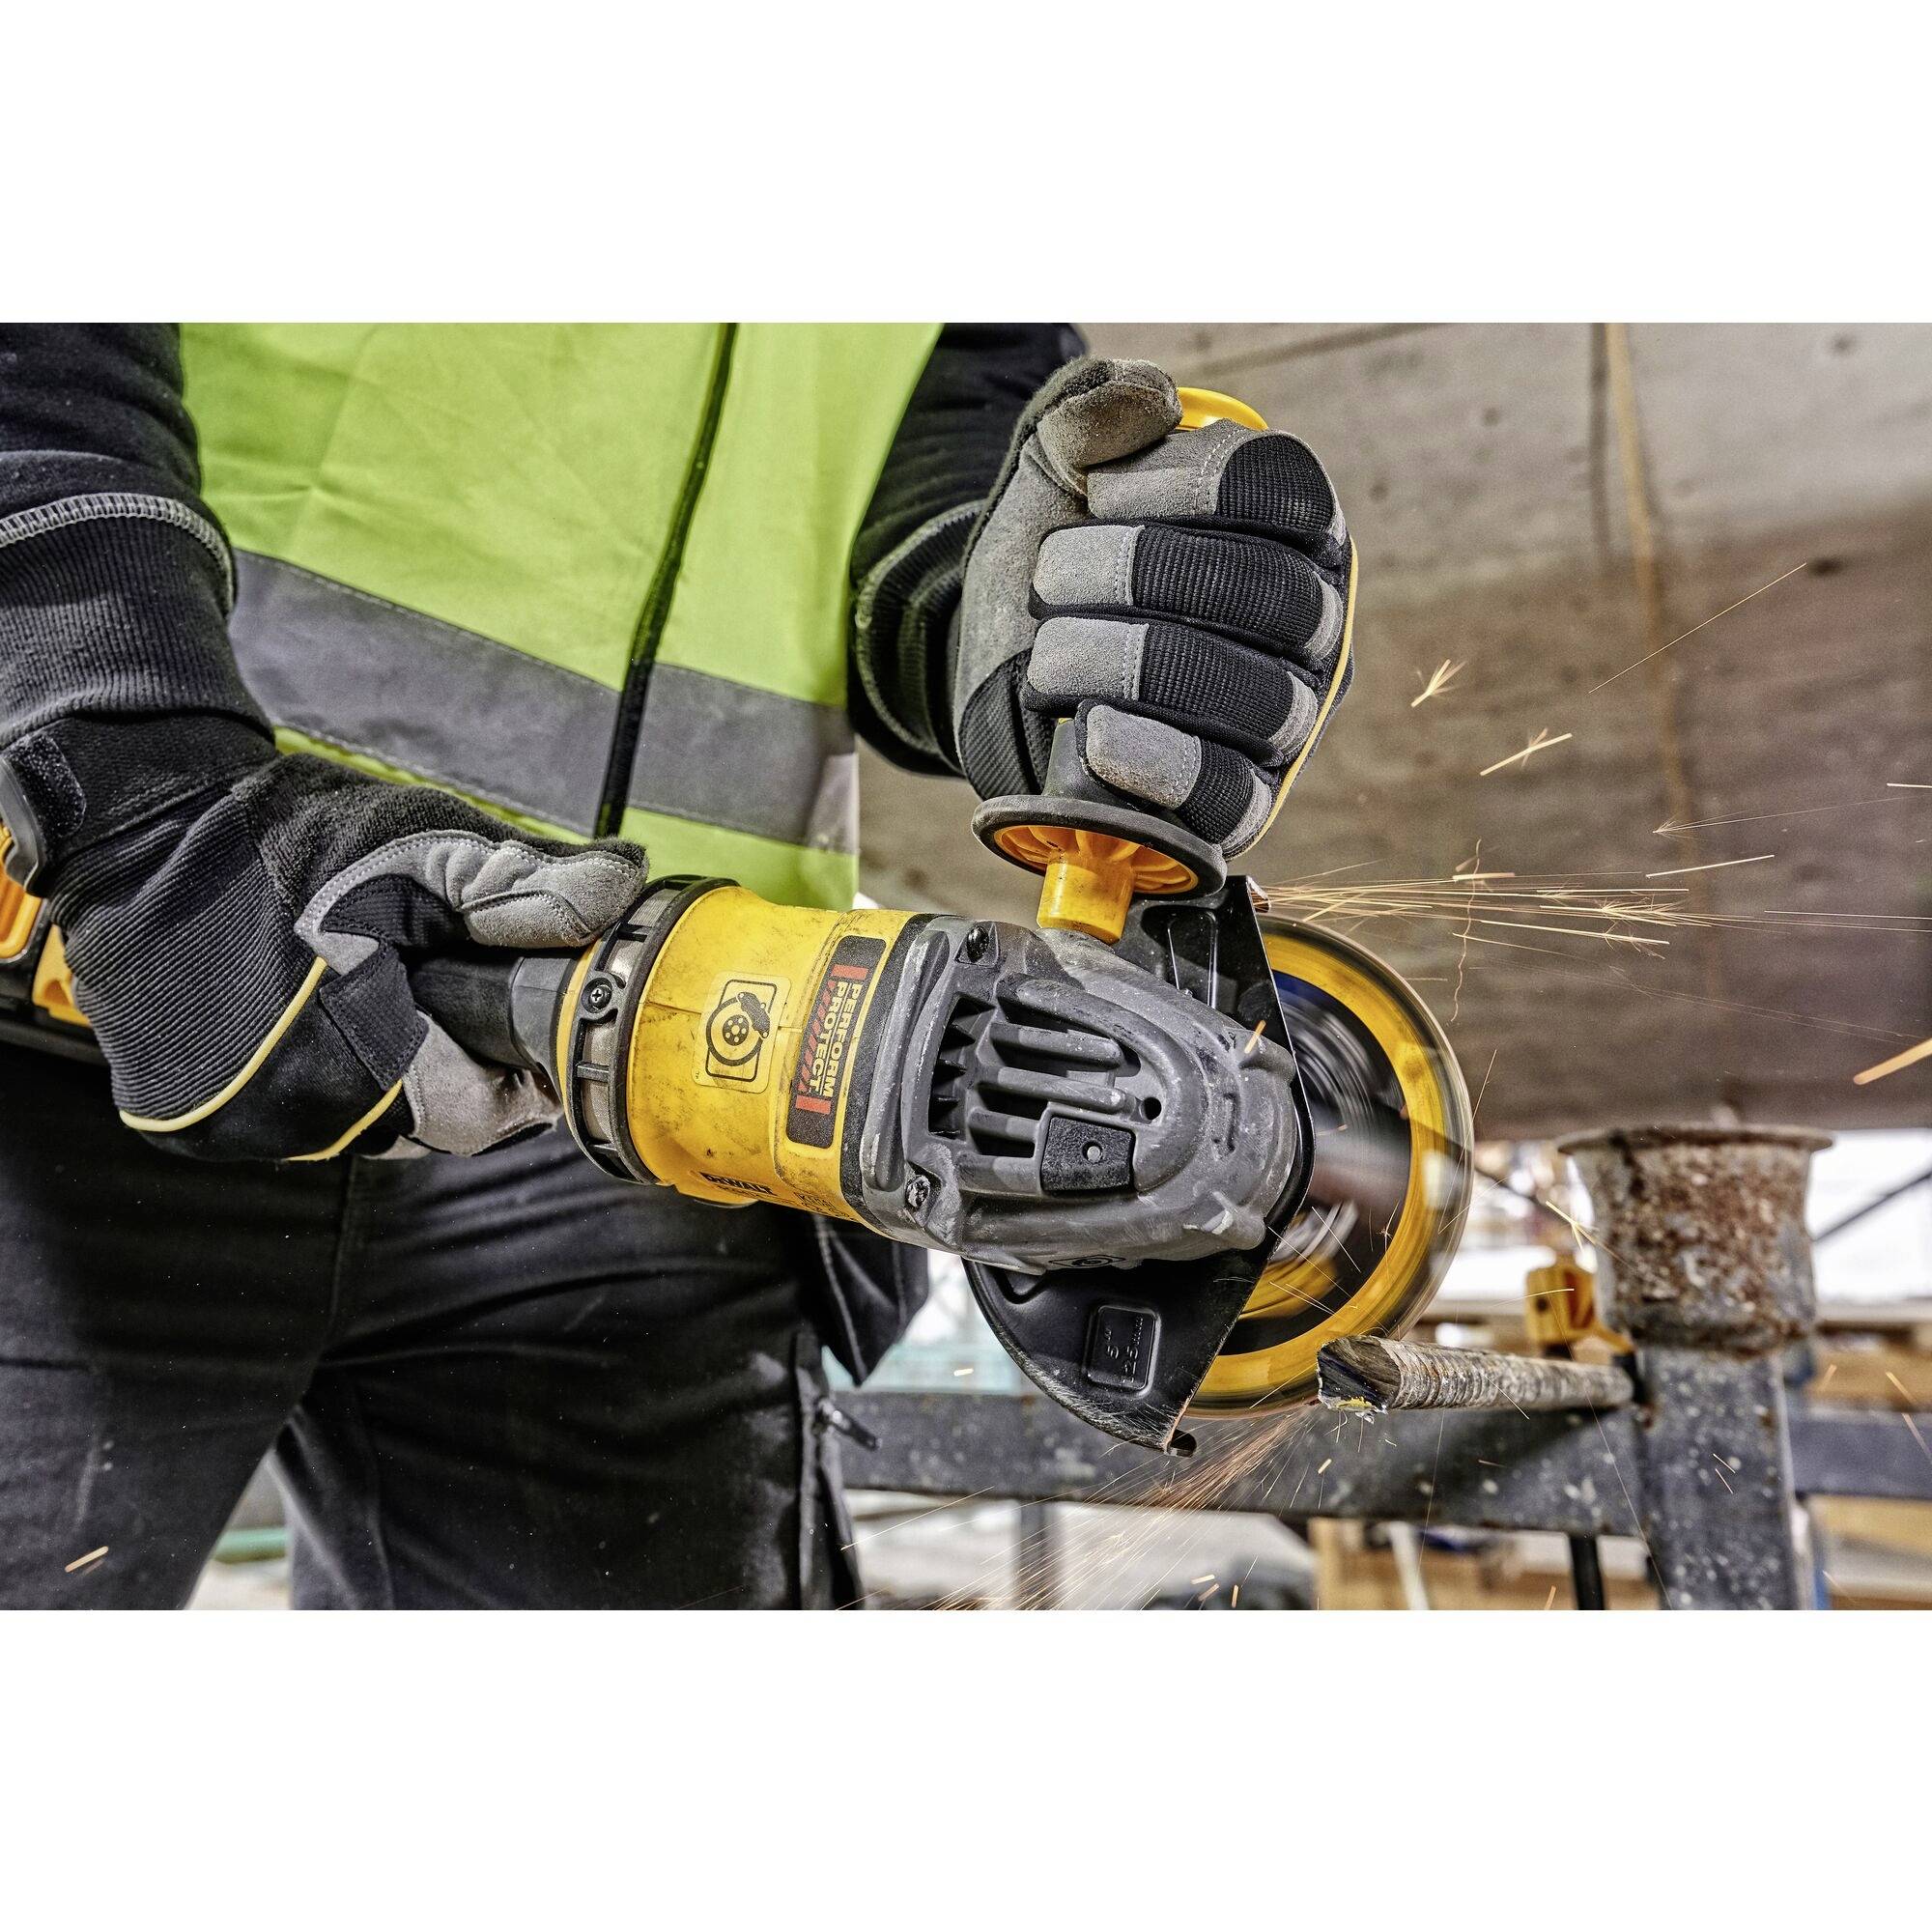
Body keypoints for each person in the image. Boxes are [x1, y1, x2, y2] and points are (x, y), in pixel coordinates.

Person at [0, 325, 1354, 1607]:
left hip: (653, 1092)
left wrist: (1005, 610)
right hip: (118, 960)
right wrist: (126, 781)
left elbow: (945, 410)